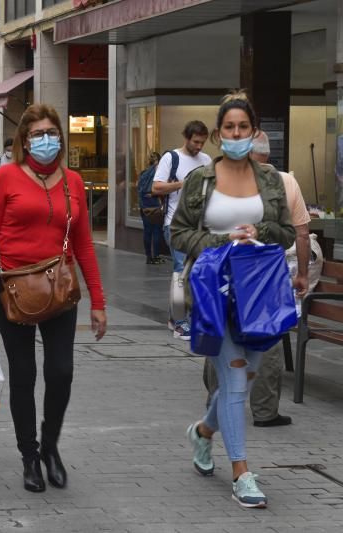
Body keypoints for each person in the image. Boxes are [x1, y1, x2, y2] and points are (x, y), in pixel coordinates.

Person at [0, 104, 107, 493]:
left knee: (61, 371)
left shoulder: (72, 182)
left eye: (51, 133)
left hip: (60, 289)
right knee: (24, 376)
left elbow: (84, 245)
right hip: (13, 292)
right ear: (24, 141)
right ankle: (29, 457)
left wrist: (98, 300)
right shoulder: (6, 178)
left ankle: (50, 446)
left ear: (61, 136)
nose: (46, 140)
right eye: (37, 134)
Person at [170, 92, 295, 509]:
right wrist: (223, 240)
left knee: (244, 378)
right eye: (229, 128)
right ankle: (242, 472)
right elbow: (179, 233)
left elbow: (288, 232)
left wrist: (262, 234)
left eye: (243, 127)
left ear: (252, 131)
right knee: (236, 377)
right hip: (213, 293)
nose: (236, 134)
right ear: (219, 134)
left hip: (259, 294)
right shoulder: (201, 180)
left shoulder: (271, 180)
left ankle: (203, 433)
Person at [203, 130, 311, 428]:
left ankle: (216, 401)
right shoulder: (286, 181)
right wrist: (301, 274)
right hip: (268, 274)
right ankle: (264, 410)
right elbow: (302, 233)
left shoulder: (222, 181)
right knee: (268, 336)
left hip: (228, 270)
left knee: (222, 331)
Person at [152, 120, 212, 341]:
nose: (199, 147)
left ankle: (175, 317)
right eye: (196, 142)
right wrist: (181, 184)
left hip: (199, 227)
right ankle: (179, 322)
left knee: (195, 273)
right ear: (186, 138)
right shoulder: (172, 158)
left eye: (202, 143)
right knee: (180, 271)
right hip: (175, 223)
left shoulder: (206, 160)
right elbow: (156, 187)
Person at [137, 151, 166, 264]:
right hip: (154, 206)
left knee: (147, 231)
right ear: (158, 161)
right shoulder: (157, 172)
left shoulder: (143, 173)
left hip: (144, 206)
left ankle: (149, 257)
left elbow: (139, 188)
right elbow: (158, 189)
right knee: (157, 231)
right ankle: (156, 255)